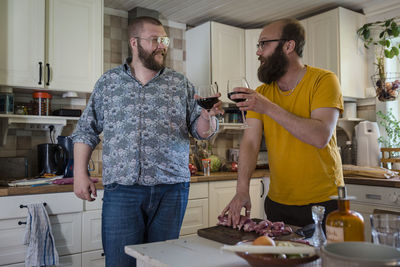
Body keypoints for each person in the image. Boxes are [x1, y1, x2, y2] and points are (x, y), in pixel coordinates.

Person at [72, 16, 223, 267]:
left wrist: (207, 117)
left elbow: (201, 131)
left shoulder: (180, 83)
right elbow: (85, 130)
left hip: (172, 189)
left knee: (162, 263)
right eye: (155, 40)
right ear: (134, 42)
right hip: (122, 190)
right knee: (120, 263)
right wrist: (80, 174)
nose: (162, 45)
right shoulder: (108, 83)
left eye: (164, 40)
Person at [221, 18, 344, 231]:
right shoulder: (263, 93)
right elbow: (250, 142)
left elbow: (320, 136)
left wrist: (268, 107)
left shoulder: (324, 80)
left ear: (288, 45)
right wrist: (242, 190)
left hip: (324, 201)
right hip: (278, 203)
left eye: (264, 44)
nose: (258, 52)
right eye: (257, 45)